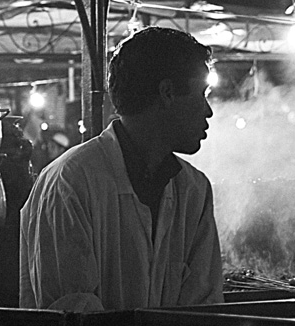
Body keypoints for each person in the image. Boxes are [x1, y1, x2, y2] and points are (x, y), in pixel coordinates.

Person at [20, 27, 223, 311]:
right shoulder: (70, 182)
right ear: (166, 93)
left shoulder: (194, 190)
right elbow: (70, 311)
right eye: (201, 95)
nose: (208, 111)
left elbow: (204, 307)